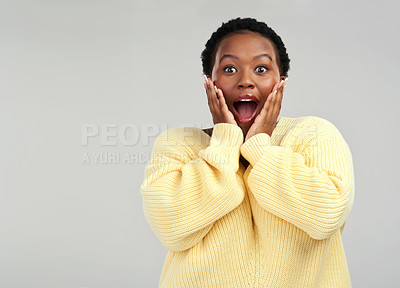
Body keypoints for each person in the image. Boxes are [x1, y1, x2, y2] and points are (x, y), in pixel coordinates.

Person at [141, 17, 355, 287]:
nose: (246, 81)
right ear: (210, 82)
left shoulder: (315, 134)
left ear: (281, 81)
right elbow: (170, 227)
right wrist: (225, 142)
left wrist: (260, 147)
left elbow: (326, 216)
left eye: (262, 68)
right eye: (229, 69)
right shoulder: (179, 143)